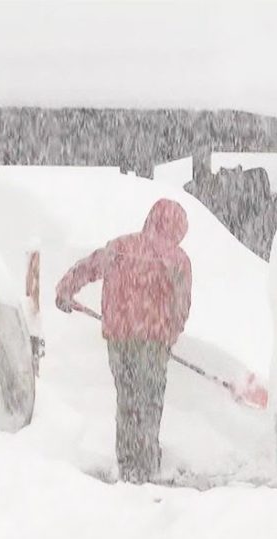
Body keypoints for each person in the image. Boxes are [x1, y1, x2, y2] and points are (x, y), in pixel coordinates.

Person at [55, 199, 192, 484]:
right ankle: (148, 462)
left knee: (127, 398)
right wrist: (171, 334)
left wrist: (66, 289)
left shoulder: (121, 246)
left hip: (119, 338)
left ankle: (128, 463)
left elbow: (89, 267)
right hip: (154, 341)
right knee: (150, 400)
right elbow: (182, 306)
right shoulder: (178, 260)